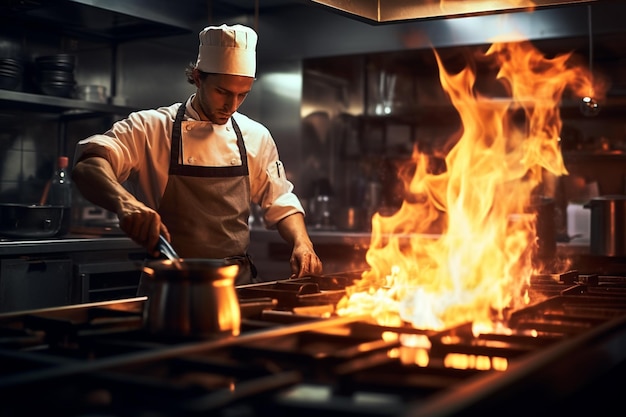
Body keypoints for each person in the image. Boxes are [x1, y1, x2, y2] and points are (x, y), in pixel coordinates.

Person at [71, 23, 323, 285]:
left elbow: (280, 198)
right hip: (170, 285)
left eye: (242, 95)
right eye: (222, 92)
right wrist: (125, 204)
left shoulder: (256, 135)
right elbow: (87, 166)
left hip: (235, 286)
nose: (232, 105)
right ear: (198, 76)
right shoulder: (150, 127)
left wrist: (302, 243)